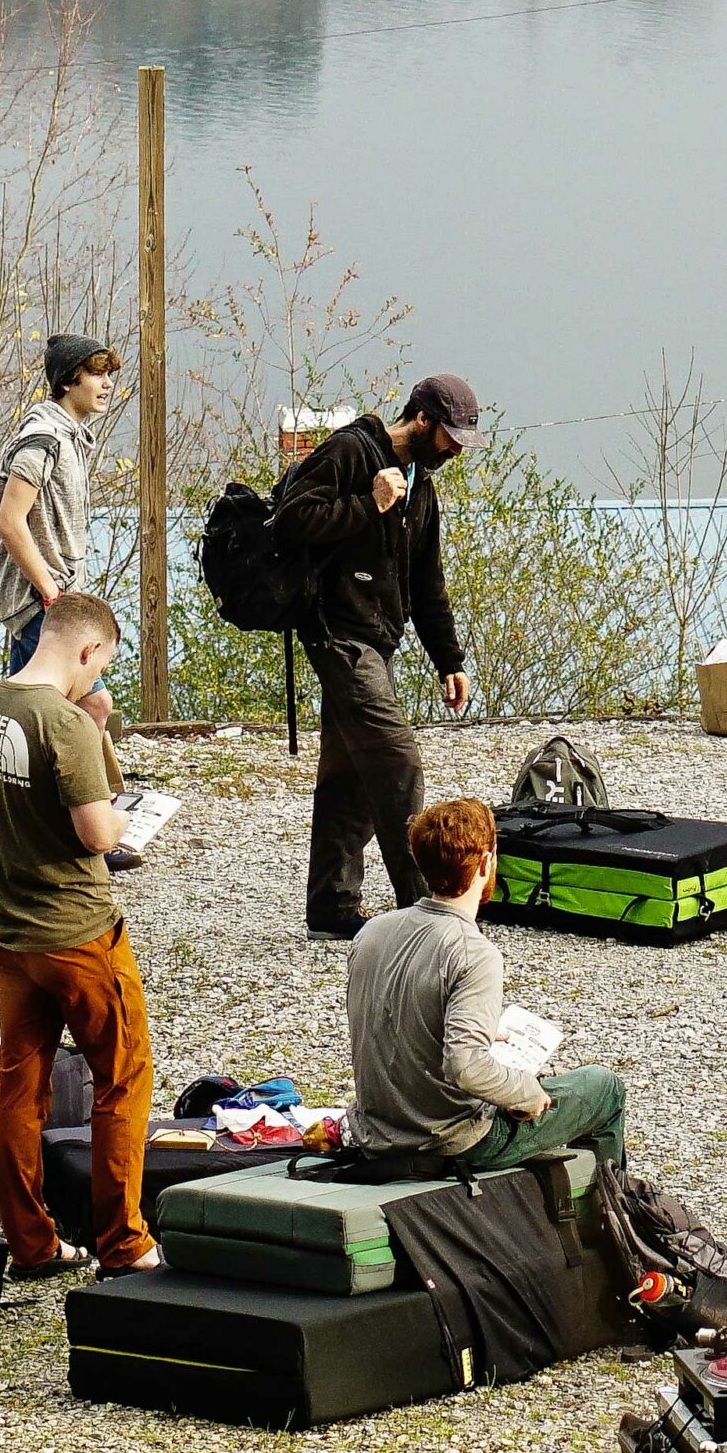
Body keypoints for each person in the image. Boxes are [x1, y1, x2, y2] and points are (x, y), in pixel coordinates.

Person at [0, 592, 156, 1279]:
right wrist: (129, 820)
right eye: (100, 668)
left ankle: (30, 1244)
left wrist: (95, 727)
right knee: (121, 1079)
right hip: (77, 931)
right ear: (88, 650)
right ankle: (125, 1246)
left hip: (9, 933)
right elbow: (97, 832)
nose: (96, 681)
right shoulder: (59, 722)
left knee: (19, 1084)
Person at [273, 375, 479, 943]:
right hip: (336, 633)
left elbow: (427, 582)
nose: (457, 449)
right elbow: (291, 522)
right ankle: (429, 912)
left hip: (376, 639)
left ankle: (333, 907)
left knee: (349, 777)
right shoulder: (350, 449)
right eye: (451, 436)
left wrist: (449, 660)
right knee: (397, 762)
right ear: (421, 421)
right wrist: (369, 503)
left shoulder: (423, 487)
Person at [346, 797, 628, 1169]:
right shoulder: (474, 953)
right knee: (603, 1086)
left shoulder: (372, 932)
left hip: (377, 1134)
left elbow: (391, 1016)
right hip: (449, 1142)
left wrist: (474, 1030)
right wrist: (527, 1093)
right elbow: (466, 1068)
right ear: (485, 863)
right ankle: (610, 1215)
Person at [0, 333, 122, 748]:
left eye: (108, 374)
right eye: (97, 374)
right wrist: (51, 594)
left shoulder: (69, 436)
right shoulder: (42, 439)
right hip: (39, 600)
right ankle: (83, 804)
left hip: (51, 599)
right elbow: (9, 523)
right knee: (92, 705)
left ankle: (21, 798)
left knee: (24, 716)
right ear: (67, 381)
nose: (107, 384)